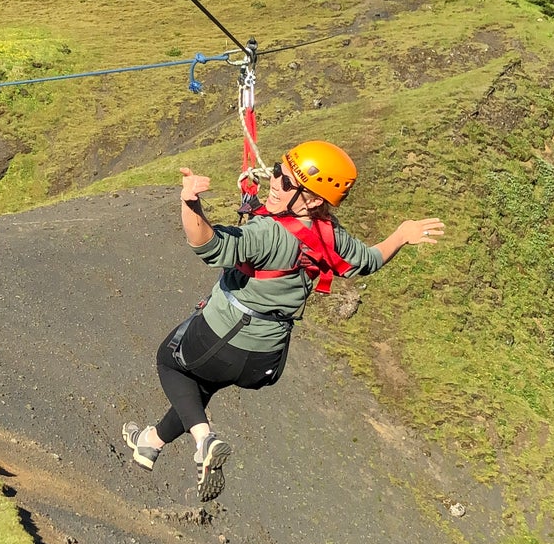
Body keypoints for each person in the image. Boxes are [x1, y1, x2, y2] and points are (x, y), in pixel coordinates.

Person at [124, 141, 444, 502]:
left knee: (170, 362)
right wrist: (401, 235)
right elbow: (367, 261)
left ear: (312, 200)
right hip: (265, 359)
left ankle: (204, 439)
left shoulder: (268, 234)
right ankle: (149, 443)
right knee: (201, 386)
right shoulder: (330, 236)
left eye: (288, 183)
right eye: (278, 170)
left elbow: (208, 245)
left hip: (225, 334)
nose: (275, 182)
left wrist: (189, 202)